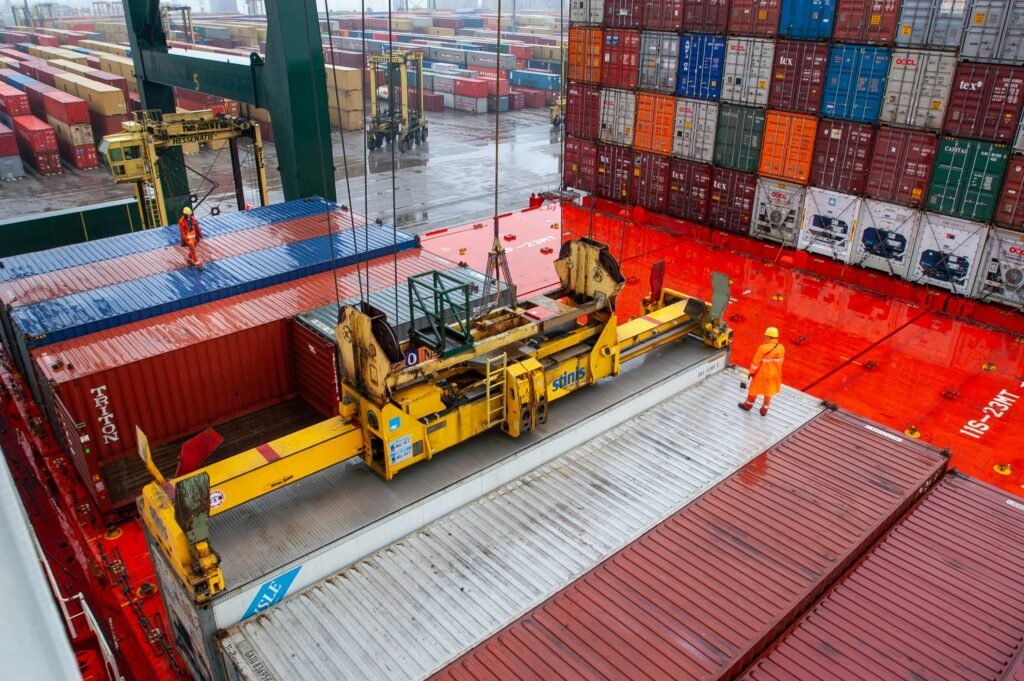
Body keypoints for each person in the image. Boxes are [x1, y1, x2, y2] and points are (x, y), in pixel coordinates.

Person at [739, 327, 785, 416]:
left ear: (769, 337)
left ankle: (747, 405)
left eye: (766, 336)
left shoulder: (763, 348)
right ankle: (764, 410)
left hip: (762, 374)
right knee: (769, 392)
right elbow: (781, 361)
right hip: (775, 374)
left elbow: (756, 362)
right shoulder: (781, 348)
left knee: (754, 390)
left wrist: (751, 372)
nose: (765, 337)